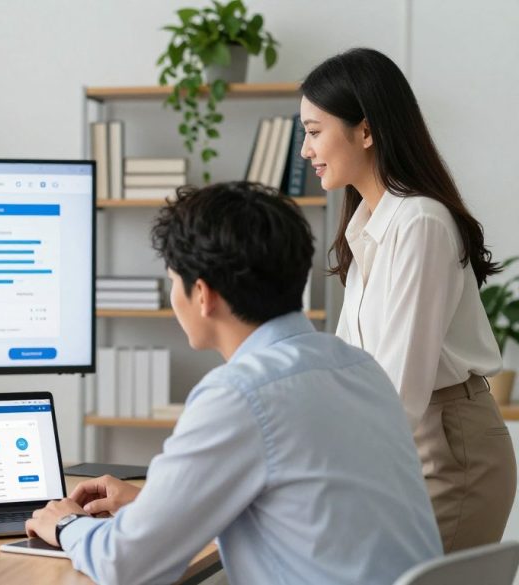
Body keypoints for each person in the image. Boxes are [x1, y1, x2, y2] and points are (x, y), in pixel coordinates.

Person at [25, 182, 441, 585]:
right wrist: (152, 508)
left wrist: (65, 523)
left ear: (202, 294)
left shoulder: (241, 394)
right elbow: (303, 512)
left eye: (173, 281)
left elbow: (126, 565)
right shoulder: (358, 367)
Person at [300, 47, 515, 552]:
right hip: (406, 444)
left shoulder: (419, 223)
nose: (306, 150)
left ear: (366, 131)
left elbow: (401, 388)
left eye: (313, 132)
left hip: (448, 451)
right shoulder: (366, 227)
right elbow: (350, 367)